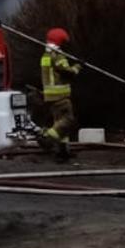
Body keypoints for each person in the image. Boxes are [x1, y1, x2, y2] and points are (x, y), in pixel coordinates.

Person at [39, 28, 81, 161]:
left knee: (60, 123)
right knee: (68, 120)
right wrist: (78, 67)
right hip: (60, 95)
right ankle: (47, 138)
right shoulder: (58, 56)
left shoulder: (46, 56)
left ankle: (62, 151)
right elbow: (68, 73)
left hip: (50, 96)